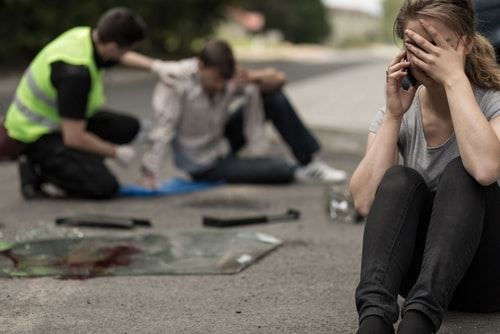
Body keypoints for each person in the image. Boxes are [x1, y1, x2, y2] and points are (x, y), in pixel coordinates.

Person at [350, 0, 500, 333]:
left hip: (486, 279)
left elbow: (486, 169)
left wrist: (455, 80)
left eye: (437, 46)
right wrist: (392, 116)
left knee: (465, 172)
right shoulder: (400, 111)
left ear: (465, 44)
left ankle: (418, 324)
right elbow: (363, 202)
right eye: (417, 46)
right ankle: (374, 318)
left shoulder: (493, 100)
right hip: (416, 278)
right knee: (399, 178)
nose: (427, 58)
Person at [5, 7, 167, 199]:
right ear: (114, 47)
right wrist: (115, 152)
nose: (128, 54)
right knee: (103, 186)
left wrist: (157, 66)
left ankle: (80, 159)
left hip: (59, 118)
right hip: (35, 134)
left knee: (128, 127)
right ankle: (37, 167)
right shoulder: (75, 74)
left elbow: (122, 58)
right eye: (127, 49)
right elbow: (73, 137)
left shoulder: (87, 36)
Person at [141, 39, 346, 187]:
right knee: (280, 170)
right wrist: (151, 171)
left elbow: (279, 80)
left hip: (221, 141)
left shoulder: (227, 76)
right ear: (200, 66)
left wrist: (251, 76)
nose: (220, 86)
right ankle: (291, 169)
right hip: (202, 163)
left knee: (273, 96)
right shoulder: (176, 80)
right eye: (215, 80)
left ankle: (310, 162)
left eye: (224, 81)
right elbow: (163, 128)